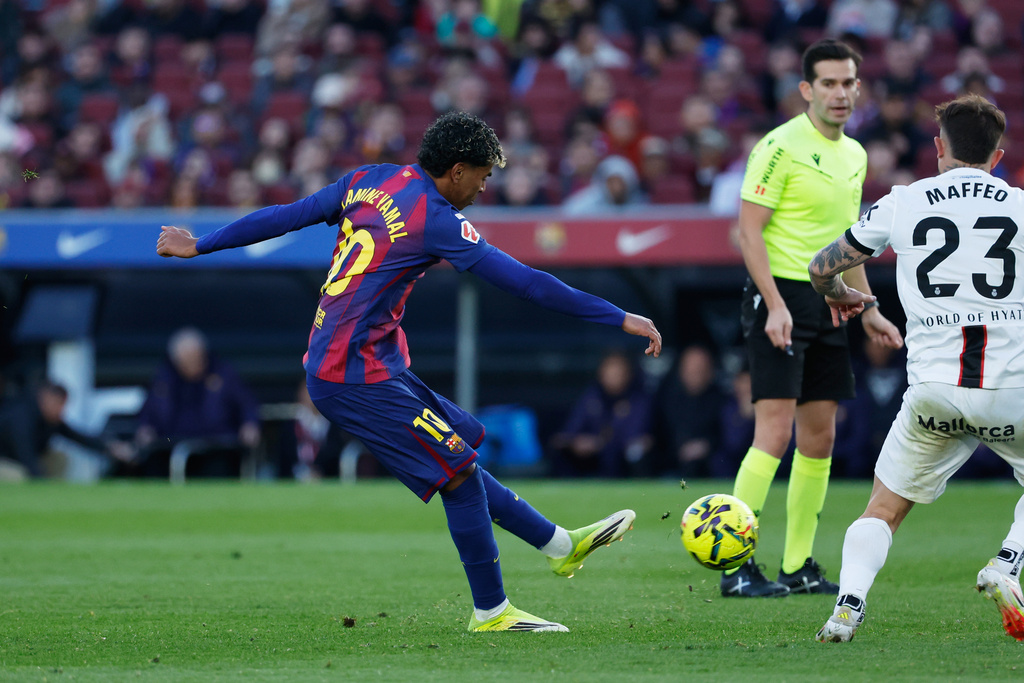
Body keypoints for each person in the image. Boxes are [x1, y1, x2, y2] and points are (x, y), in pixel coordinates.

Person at [155, 111, 662, 633]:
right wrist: (619, 316)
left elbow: (288, 214)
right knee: (459, 474)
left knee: (463, 444)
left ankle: (560, 545)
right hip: (352, 376)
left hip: (368, 363)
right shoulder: (437, 219)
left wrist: (200, 243)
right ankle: (492, 612)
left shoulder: (368, 180)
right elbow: (526, 283)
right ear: (459, 170)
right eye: (484, 177)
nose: (483, 190)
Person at [810, 94, 1024, 643]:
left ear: (938, 148)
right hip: (1011, 390)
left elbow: (821, 266)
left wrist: (842, 294)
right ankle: (1006, 565)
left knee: (882, 507)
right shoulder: (1021, 208)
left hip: (933, 391)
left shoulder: (902, 202)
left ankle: (846, 607)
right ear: (998, 157)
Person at [723, 38, 905, 599]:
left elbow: (852, 246)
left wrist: (867, 306)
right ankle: (735, 567)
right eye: (828, 82)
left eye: (848, 82)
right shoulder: (778, 146)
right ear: (806, 89)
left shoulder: (856, 154)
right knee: (774, 433)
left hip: (830, 298)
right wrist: (774, 304)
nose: (840, 92)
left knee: (819, 438)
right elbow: (747, 231)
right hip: (779, 296)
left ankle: (797, 565)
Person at [134, 327, 261, 478]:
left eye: (195, 357)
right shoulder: (164, 379)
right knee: (153, 465)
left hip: (215, 444)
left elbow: (247, 404)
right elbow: (148, 411)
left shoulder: (223, 374)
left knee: (219, 467)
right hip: (170, 442)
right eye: (186, 360)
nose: (192, 364)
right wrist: (145, 428)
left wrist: (250, 424)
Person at [553, 350, 654, 478]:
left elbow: (635, 435)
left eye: (618, 373)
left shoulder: (638, 399)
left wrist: (601, 442)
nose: (613, 377)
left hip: (621, 457)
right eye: (609, 372)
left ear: (628, 374)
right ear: (601, 373)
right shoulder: (592, 396)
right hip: (593, 455)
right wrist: (575, 440)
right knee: (561, 449)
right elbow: (573, 427)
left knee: (633, 453)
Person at [0, 380, 133, 478]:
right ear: (45, 399)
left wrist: (110, 447)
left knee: (59, 458)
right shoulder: (21, 418)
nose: (61, 410)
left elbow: (78, 437)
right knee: (18, 476)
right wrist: (39, 478)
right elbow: (25, 454)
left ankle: (52, 496)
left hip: (23, 460)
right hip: (6, 460)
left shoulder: (51, 420)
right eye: (58, 404)